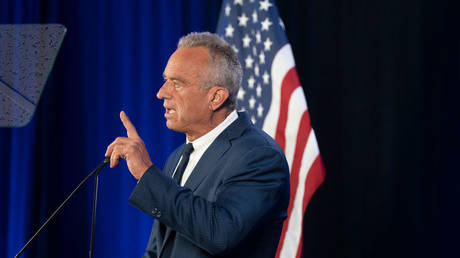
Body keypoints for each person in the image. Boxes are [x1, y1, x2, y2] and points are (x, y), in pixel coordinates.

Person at [105, 32, 290, 258]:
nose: (161, 93)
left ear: (215, 98)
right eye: (165, 80)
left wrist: (146, 172)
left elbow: (221, 234)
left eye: (176, 83)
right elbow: (158, 251)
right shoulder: (177, 157)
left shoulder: (259, 156)